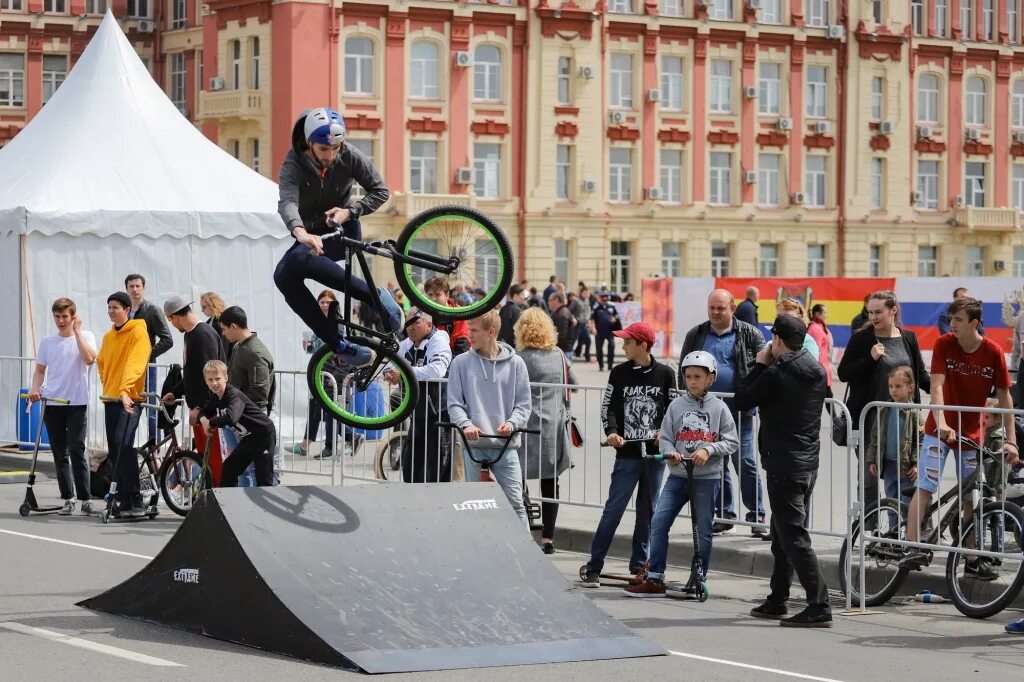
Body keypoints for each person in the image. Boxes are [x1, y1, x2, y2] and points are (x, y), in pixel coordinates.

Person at [273, 107, 403, 368]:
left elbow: (380, 191)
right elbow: (287, 202)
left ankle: (376, 297)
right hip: (310, 233)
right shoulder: (293, 164)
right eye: (324, 149)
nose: (331, 155)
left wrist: (350, 211)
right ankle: (339, 344)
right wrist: (300, 232)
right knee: (283, 277)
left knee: (299, 260)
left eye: (336, 147)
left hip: (342, 229)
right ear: (309, 144)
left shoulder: (349, 155)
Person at [902, 297, 1019, 572]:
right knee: (926, 487)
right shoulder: (944, 344)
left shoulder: (993, 352)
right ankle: (912, 546)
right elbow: (937, 387)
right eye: (951, 318)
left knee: (971, 497)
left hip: (971, 434)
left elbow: (1005, 398)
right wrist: (941, 421)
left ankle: (972, 559)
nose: (952, 324)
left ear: (974, 323)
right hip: (938, 430)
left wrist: (1012, 441)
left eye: (958, 320)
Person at [736, 315, 831, 627]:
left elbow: (743, 398)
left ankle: (819, 604)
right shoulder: (815, 370)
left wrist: (761, 363)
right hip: (807, 462)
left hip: (783, 464)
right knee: (782, 534)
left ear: (777, 340)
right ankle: (778, 599)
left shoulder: (776, 373)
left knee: (793, 536)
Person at [625, 351, 739, 597]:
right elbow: (665, 437)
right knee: (658, 522)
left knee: (703, 530)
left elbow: (732, 441)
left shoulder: (719, 408)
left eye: (698, 376)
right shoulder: (676, 406)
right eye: (688, 377)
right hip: (677, 477)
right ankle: (655, 577)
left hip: (706, 479)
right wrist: (669, 452)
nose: (692, 382)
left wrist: (709, 449)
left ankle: (697, 578)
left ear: (711, 378)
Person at [579, 322, 676, 587]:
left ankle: (639, 564)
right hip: (627, 454)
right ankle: (594, 564)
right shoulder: (619, 372)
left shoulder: (666, 373)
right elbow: (608, 407)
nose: (623, 346)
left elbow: (673, 410)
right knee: (614, 509)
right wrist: (611, 431)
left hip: (654, 456)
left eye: (628, 342)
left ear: (642, 345)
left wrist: (664, 432)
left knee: (648, 511)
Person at [679, 289, 766, 536]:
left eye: (721, 308)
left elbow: (765, 368)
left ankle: (756, 514)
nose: (716, 313)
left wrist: (754, 398)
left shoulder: (750, 334)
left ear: (733, 309)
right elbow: (682, 369)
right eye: (712, 308)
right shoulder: (696, 334)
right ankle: (725, 514)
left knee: (745, 462)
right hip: (705, 414)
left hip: (740, 412)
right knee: (717, 464)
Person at [837, 290, 929, 515]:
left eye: (879, 312)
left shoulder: (908, 338)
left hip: (903, 423)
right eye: (870, 312)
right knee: (869, 479)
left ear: (893, 310)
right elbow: (844, 372)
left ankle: (904, 531)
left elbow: (920, 375)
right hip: (870, 420)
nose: (874, 317)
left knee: (906, 477)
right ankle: (870, 530)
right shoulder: (862, 338)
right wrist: (870, 358)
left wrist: (941, 391)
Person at [447, 309, 533, 526]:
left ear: (491, 332)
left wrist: (512, 423)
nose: (469, 335)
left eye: (474, 330)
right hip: (473, 444)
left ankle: (523, 555)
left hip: (505, 446)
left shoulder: (516, 364)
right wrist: (466, 424)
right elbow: (454, 403)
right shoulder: (460, 363)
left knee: (515, 505)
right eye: (469, 330)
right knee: (473, 506)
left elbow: (523, 404)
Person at [514, 307, 577, 554]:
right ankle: (548, 538)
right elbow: (575, 382)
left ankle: (527, 528)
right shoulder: (559, 355)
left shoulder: (520, 358)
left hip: (525, 427)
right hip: (553, 427)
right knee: (550, 482)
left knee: (518, 480)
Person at [26, 298, 97, 515]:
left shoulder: (86, 337)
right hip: (53, 402)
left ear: (73, 316)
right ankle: (68, 498)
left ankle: (85, 498)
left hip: (76, 402)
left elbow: (89, 359)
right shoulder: (48, 342)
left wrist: (76, 332)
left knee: (77, 448)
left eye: (65, 316)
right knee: (59, 452)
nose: (61, 321)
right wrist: (34, 390)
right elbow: (39, 371)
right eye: (57, 317)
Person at [160, 296, 227, 483]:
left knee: (213, 460)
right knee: (206, 460)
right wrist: (176, 392)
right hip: (203, 410)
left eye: (170, 320)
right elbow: (193, 372)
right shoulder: (191, 334)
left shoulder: (202, 335)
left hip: (210, 411)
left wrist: (200, 408)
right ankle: (210, 495)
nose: (172, 325)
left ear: (174, 317)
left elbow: (212, 377)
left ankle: (218, 498)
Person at [96, 292, 151, 515]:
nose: (111, 311)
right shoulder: (108, 337)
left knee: (123, 445)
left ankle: (134, 496)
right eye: (109, 307)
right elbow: (102, 363)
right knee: (115, 448)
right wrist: (109, 385)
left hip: (130, 399)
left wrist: (125, 390)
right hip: (112, 399)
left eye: (116, 307)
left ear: (127, 310)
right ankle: (124, 498)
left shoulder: (138, 332)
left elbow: (134, 364)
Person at [292, 290, 364, 458]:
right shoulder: (317, 322)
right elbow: (316, 349)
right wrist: (309, 347)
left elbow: (344, 352)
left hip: (334, 374)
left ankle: (342, 442)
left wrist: (338, 377)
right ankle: (311, 444)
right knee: (317, 411)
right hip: (320, 374)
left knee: (333, 412)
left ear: (334, 305)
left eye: (328, 302)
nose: (324, 305)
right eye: (322, 302)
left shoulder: (339, 324)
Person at [387, 308, 453, 483]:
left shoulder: (438, 340)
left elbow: (437, 370)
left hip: (439, 413)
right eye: (407, 323)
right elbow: (389, 362)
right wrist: (391, 373)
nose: (410, 327)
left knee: (437, 469)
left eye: (416, 322)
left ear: (429, 324)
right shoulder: (407, 343)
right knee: (410, 468)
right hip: (417, 413)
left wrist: (403, 373)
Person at [219, 305, 280, 486]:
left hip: (251, 421)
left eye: (223, 329)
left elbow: (260, 391)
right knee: (242, 468)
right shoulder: (242, 347)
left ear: (234, 326)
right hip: (242, 419)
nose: (223, 334)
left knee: (257, 470)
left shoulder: (253, 352)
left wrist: (237, 410)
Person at [198, 361, 276, 487]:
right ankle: (227, 504)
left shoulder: (232, 395)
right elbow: (203, 412)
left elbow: (231, 418)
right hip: (249, 438)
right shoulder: (216, 397)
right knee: (229, 468)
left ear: (226, 378)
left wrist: (211, 423)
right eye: (210, 379)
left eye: (218, 379)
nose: (214, 383)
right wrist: (204, 421)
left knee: (263, 477)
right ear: (205, 381)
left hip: (263, 435)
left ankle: (267, 503)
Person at [124, 274, 173, 442]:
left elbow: (167, 339)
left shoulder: (152, 310)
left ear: (143, 288)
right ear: (127, 289)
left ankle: (155, 449)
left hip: (147, 367)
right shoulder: (124, 310)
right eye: (131, 286)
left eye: (138, 286)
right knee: (129, 407)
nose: (135, 289)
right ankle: (128, 448)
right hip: (126, 367)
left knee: (151, 408)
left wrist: (146, 354)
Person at [865, 366, 921, 507]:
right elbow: (875, 437)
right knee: (891, 502)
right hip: (888, 463)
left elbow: (920, 441)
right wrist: (873, 459)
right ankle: (894, 529)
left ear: (910, 388)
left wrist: (916, 463)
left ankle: (908, 529)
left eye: (898, 386)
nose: (893, 390)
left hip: (906, 467)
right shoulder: (884, 409)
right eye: (891, 386)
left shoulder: (914, 412)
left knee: (907, 503)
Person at [424, 277, 470, 356]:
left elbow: (462, 346)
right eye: (430, 295)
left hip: (452, 359)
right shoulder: (423, 312)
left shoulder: (458, 313)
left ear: (447, 295)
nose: (433, 298)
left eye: (437, 294)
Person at [807, 303, 835, 397]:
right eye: (824, 313)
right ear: (817, 314)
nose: (826, 315)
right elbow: (815, 349)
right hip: (820, 366)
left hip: (823, 365)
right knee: (828, 395)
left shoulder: (820, 326)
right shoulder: (815, 328)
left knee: (826, 395)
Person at [591, 291, 621, 371]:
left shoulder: (611, 306)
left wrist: (615, 318)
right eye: (603, 297)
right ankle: (601, 365)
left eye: (606, 297)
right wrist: (593, 327)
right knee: (599, 348)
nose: (604, 299)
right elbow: (592, 318)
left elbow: (617, 315)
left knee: (611, 345)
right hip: (600, 331)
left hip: (610, 331)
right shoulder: (596, 307)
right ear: (600, 298)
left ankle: (610, 365)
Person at [200, 291, 230, 357]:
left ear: (213, 304)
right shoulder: (210, 321)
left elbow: (224, 348)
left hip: (220, 363)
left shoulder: (222, 321)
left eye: (204, 307)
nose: (202, 310)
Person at [548, 291, 576, 360]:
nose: (548, 303)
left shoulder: (562, 314)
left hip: (563, 352)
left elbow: (562, 337)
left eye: (550, 300)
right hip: (563, 351)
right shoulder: (561, 312)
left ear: (556, 300)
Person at [571, 286, 594, 362]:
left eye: (588, 293)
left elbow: (588, 310)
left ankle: (587, 357)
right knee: (573, 340)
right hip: (577, 324)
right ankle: (568, 357)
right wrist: (573, 318)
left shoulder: (587, 300)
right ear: (582, 293)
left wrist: (589, 321)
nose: (588, 294)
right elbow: (569, 310)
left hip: (584, 324)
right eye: (586, 293)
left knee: (588, 340)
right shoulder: (576, 300)